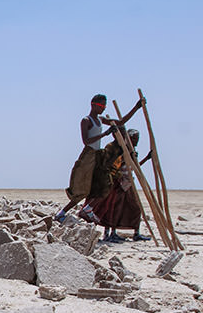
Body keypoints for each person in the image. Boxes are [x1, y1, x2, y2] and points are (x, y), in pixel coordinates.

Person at [56, 93, 144, 225]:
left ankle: (88, 208)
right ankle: (61, 213)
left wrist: (136, 108)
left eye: (104, 106)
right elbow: (86, 141)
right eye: (101, 105)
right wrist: (105, 134)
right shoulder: (86, 120)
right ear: (93, 105)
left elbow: (120, 122)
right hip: (88, 155)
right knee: (82, 189)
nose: (103, 108)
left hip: (98, 155)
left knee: (102, 185)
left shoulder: (100, 119)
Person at [86, 129, 152, 243]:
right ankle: (109, 233)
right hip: (117, 183)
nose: (136, 141)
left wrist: (145, 158)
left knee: (134, 208)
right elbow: (117, 166)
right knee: (111, 208)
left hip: (127, 184)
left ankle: (135, 233)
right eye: (134, 138)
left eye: (137, 138)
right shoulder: (120, 150)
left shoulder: (130, 151)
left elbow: (133, 167)